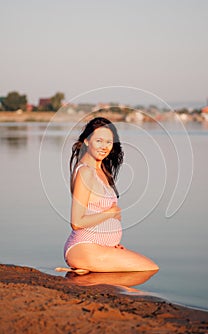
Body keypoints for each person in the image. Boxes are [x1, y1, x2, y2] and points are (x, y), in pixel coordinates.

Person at [63, 117, 159, 274]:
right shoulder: (85, 172)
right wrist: (110, 213)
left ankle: (86, 275)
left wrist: (109, 243)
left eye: (109, 142)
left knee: (143, 269)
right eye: (99, 141)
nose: (104, 147)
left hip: (97, 247)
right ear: (87, 141)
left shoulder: (101, 170)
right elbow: (77, 222)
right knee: (149, 268)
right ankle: (84, 272)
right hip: (84, 247)